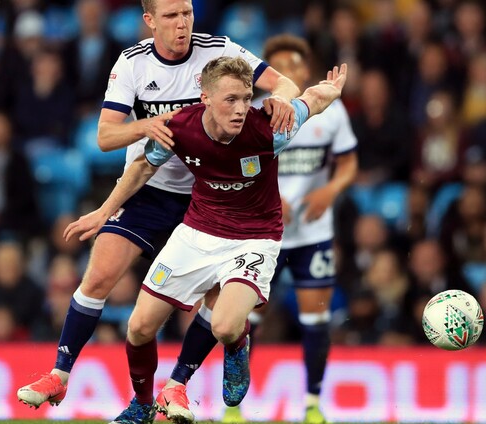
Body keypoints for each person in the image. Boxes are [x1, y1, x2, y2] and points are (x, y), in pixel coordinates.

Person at [16, 0, 299, 413]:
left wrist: (283, 99)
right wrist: (144, 126)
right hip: (149, 188)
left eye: (187, 13)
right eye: (171, 16)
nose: (182, 23)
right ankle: (61, 375)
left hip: (209, 194)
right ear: (149, 21)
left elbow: (284, 83)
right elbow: (105, 137)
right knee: (100, 274)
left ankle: (181, 381)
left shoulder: (219, 50)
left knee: (217, 301)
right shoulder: (132, 64)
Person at [65, 56, 348, 424]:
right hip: (198, 232)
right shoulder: (180, 127)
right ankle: (142, 405)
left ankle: (223, 353)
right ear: (206, 99)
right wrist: (104, 211)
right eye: (231, 99)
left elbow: (312, 100)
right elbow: (144, 165)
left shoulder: (270, 128)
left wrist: (331, 89)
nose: (241, 108)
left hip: (254, 238)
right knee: (139, 327)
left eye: (246, 98)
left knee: (226, 326)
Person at [224, 34, 358, 424]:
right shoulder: (252, 112)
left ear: (306, 69)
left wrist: (330, 190)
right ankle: (232, 407)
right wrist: (266, 194)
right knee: (245, 319)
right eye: (279, 66)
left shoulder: (331, 111)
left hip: (313, 234)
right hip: (265, 233)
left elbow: (348, 163)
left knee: (315, 318)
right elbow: (235, 168)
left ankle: (313, 405)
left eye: (294, 64)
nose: (287, 71)